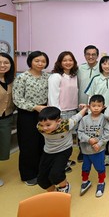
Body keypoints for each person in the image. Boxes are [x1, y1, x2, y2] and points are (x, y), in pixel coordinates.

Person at [12, 51, 50, 186]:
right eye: (37, 61)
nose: (40, 63)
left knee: (42, 142)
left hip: (44, 114)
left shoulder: (47, 76)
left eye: (43, 61)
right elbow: (17, 99)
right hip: (27, 114)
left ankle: (41, 170)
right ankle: (28, 174)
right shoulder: (22, 77)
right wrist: (35, 107)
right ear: (30, 61)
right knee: (28, 145)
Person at [37, 106, 87, 193]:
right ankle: (53, 193)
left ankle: (64, 187)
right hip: (48, 152)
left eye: (48, 125)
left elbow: (77, 117)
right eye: (42, 125)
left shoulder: (66, 125)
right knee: (41, 180)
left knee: (56, 174)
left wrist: (85, 108)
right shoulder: (39, 127)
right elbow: (43, 125)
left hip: (64, 150)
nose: (44, 128)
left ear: (58, 121)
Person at [48, 51, 79, 172]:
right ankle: (59, 164)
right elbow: (53, 97)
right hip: (61, 113)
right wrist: (56, 115)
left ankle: (65, 160)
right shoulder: (55, 76)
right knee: (60, 140)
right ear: (60, 62)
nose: (68, 62)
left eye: (70, 60)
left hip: (72, 111)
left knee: (68, 140)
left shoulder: (73, 76)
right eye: (65, 60)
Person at [78, 95, 109, 198]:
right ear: (89, 106)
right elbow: (80, 132)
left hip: (98, 150)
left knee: (100, 168)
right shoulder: (84, 119)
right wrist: (89, 139)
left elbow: (107, 134)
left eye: (99, 106)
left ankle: (101, 183)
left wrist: (99, 144)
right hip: (86, 150)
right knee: (85, 168)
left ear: (103, 107)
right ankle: (85, 181)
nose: (96, 108)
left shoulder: (104, 119)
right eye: (93, 105)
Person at [77, 45, 100, 162]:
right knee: (82, 129)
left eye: (93, 54)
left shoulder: (101, 68)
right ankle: (82, 151)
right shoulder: (79, 69)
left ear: (97, 56)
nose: (91, 56)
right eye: (88, 54)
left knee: (95, 128)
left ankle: (97, 150)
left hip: (96, 106)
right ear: (85, 55)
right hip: (82, 105)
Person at [0, 52, 15, 186]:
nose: (2, 65)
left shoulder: (11, 80)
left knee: (2, 147)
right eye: (0, 62)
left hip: (6, 118)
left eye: (6, 62)